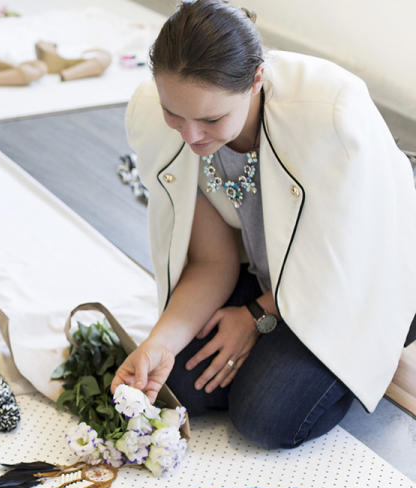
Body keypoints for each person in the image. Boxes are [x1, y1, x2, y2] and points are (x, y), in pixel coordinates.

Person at [113, 0, 416, 450]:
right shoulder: (172, 129)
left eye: (211, 118)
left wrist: (254, 318)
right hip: (275, 273)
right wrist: (159, 343)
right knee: (178, 381)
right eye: (174, 114)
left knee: (266, 417)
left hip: (364, 271)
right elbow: (211, 261)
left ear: (256, 79)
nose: (192, 137)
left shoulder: (330, 116)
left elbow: (346, 269)